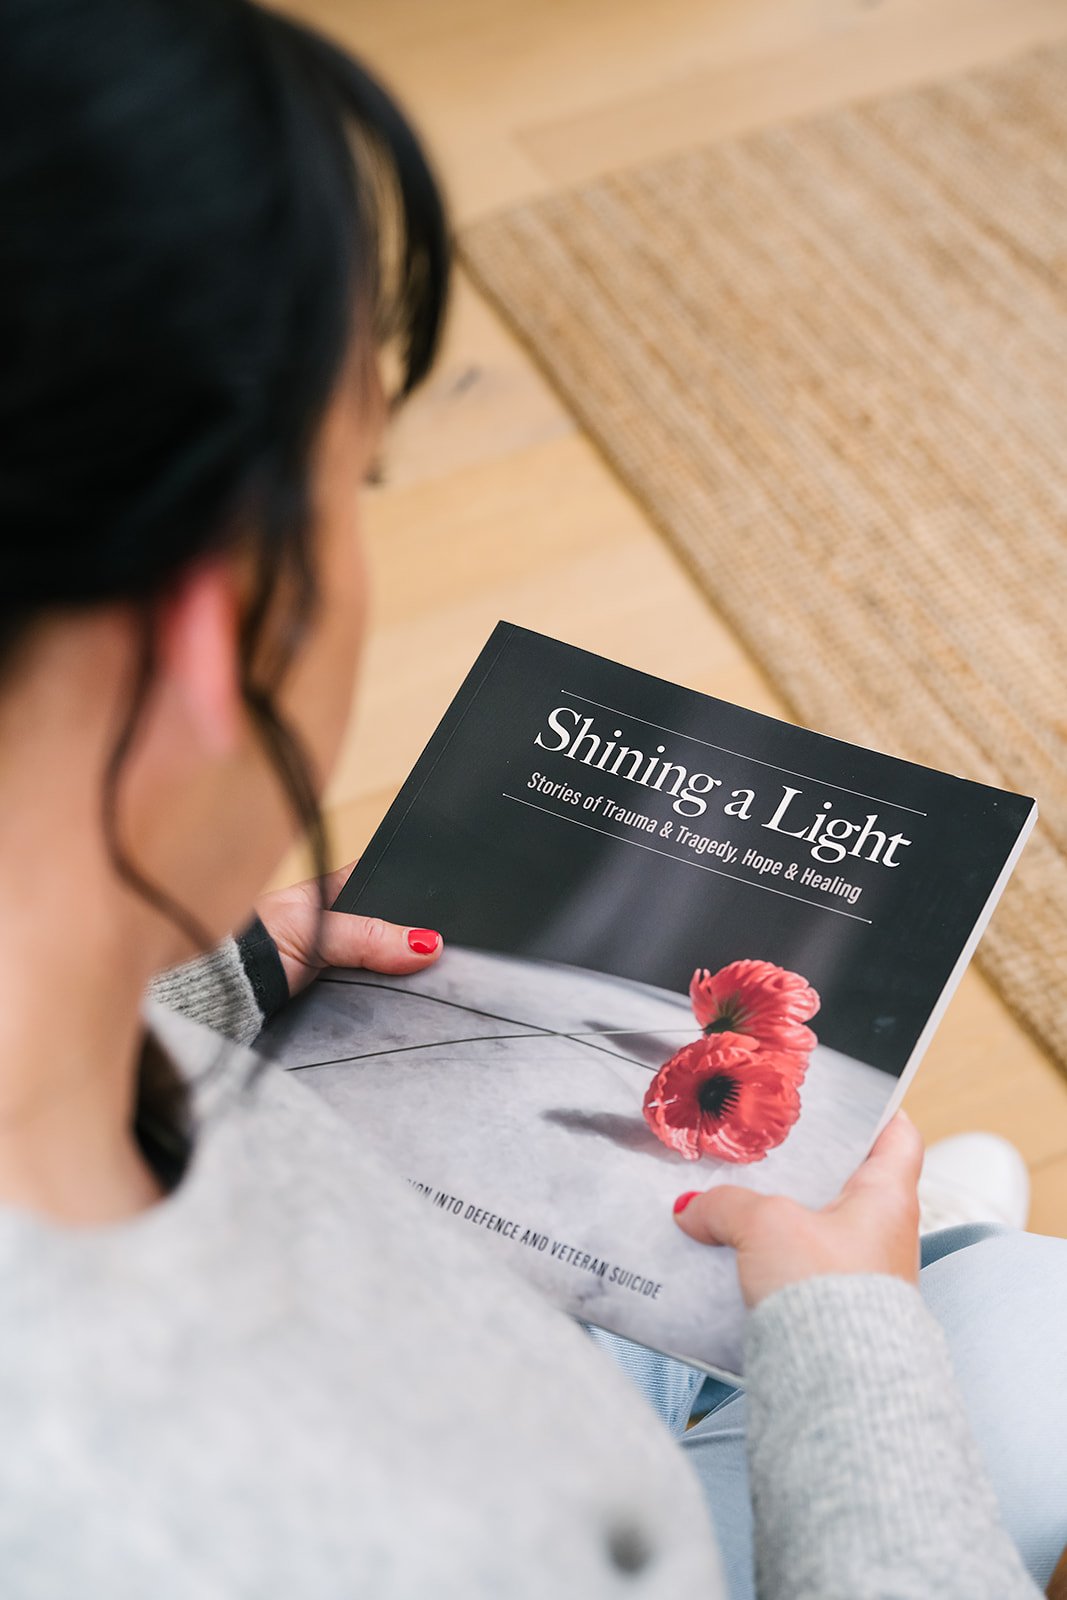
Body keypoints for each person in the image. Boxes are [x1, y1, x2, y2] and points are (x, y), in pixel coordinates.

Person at [1, 1, 1065, 1595]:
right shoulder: (312, 1534)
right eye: (356, 480)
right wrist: (853, 1346)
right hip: (572, 1464)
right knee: (1031, 1348)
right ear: (216, 614)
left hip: (410, 1315)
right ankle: (894, 1263)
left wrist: (191, 989)